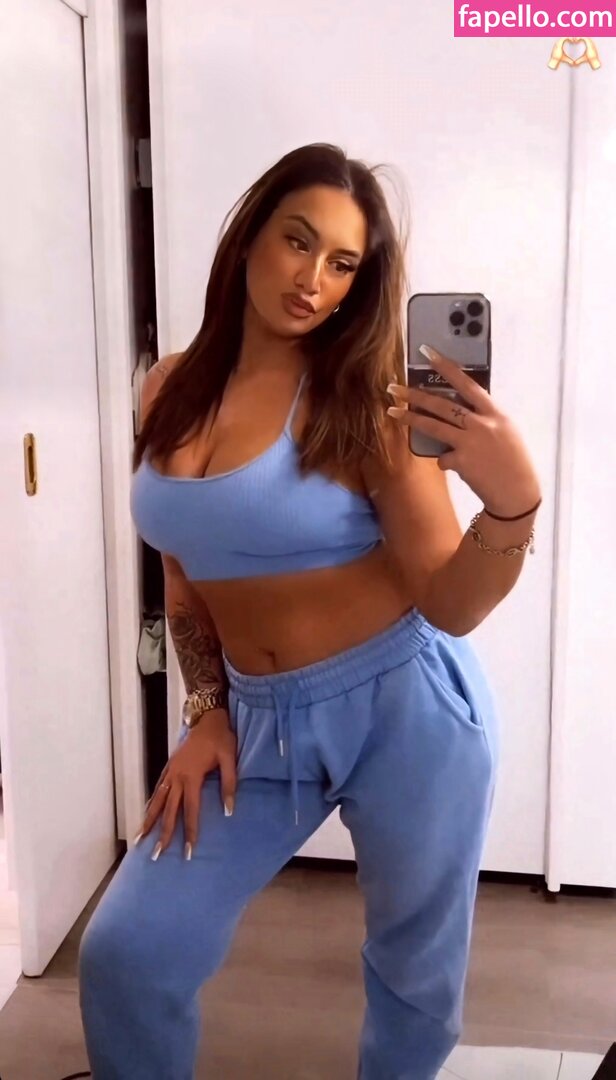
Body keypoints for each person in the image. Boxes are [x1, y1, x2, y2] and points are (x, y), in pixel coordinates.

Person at [77, 142, 542, 1079]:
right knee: (126, 951)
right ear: (249, 236)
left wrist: (512, 505)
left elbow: (450, 604)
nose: (313, 280)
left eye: (343, 263)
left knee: (414, 976)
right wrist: (206, 710)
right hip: (255, 723)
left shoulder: (365, 404)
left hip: (406, 709)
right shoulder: (167, 389)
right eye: (298, 241)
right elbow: (182, 566)